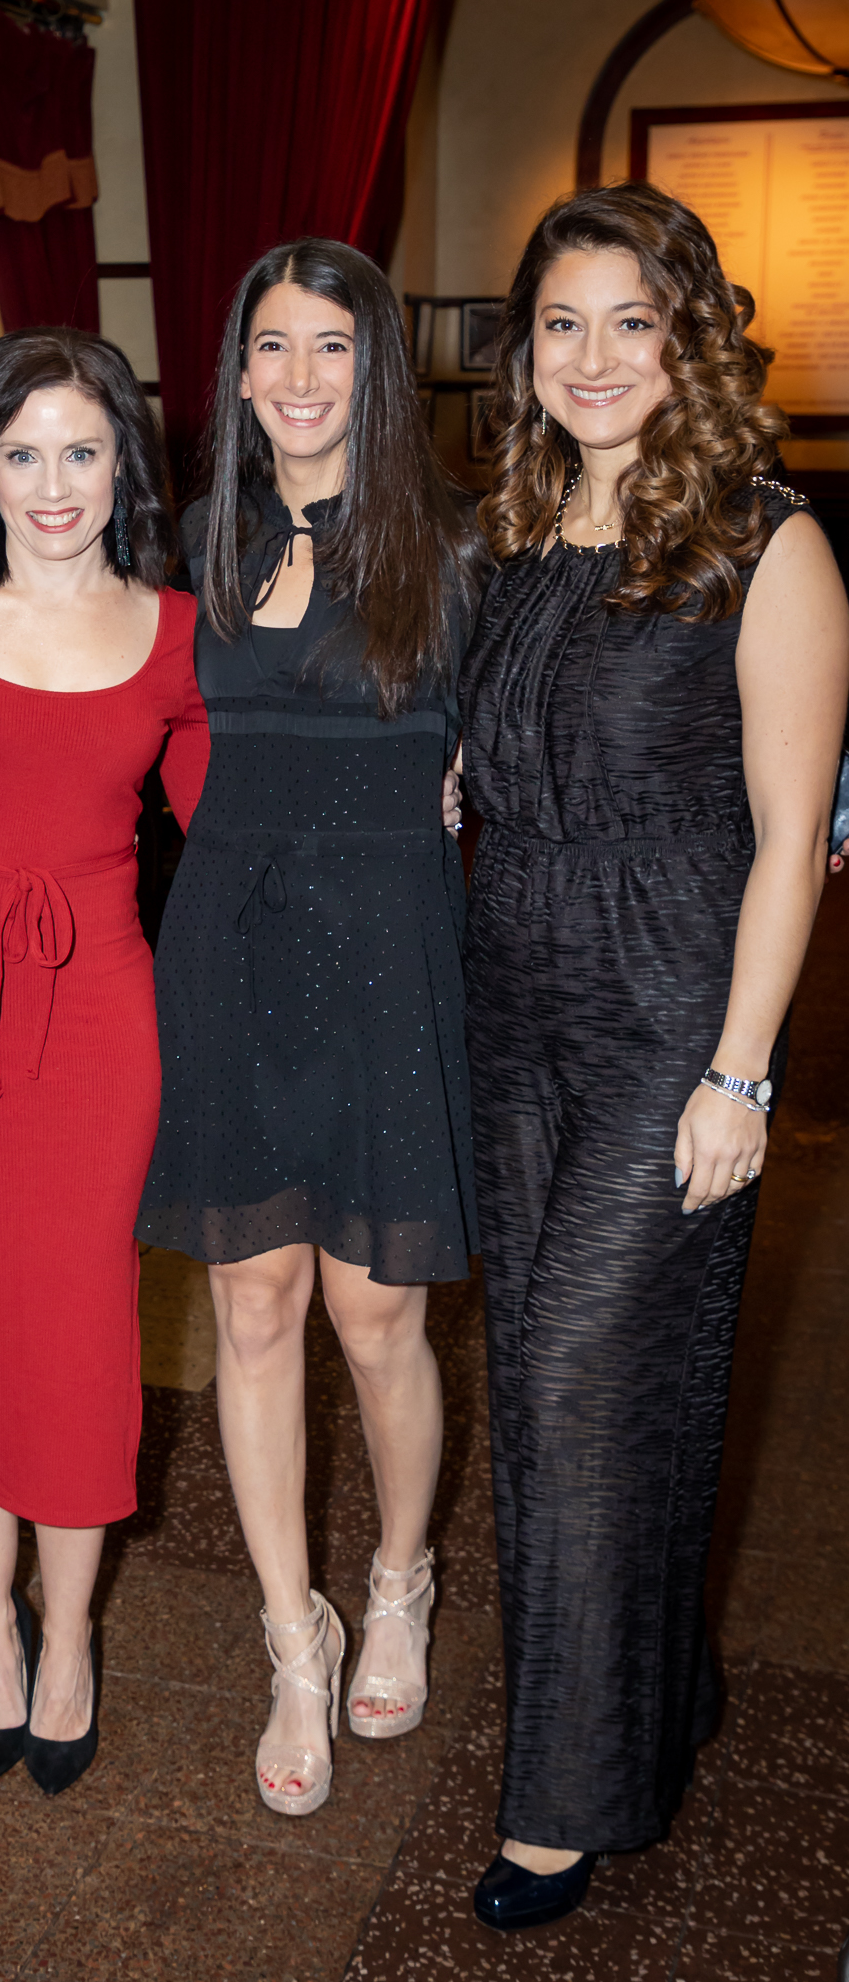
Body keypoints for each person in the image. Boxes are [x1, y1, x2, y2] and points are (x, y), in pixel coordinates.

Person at [459, 181, 849, 1931]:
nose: (594, 356)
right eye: (562, 324)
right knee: (557, 1397)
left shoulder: (768, 546)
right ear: (525, 352)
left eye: (632, 321)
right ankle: (656, 1692)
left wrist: (740, 1073)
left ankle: (563, 1803)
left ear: (689, 342)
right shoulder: (516, 530)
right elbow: (500, 743)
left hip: (666, 1013)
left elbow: (792, 840)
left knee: (572, 1384)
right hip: (512, 1004)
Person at [136, 238, 480, 1816]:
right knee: (253, 1303)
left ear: (374, 366)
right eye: (269, 346)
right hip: (230, 948)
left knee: (376, 1313)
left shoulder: (452, 549)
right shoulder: (194, 544)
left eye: (328, 346)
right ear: (236, 370)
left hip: (389, 956)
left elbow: (551, 721)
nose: (296, 377)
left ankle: (398, 1576)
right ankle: (293, 1633)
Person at [0, 330, 209, 1796]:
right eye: (22, 453)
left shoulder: (178, 635)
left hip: (99, 1025)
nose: (53, 485)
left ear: (125, 462)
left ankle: (67, 1639)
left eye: (81, 450)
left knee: (80, 1329)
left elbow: (241, 833)